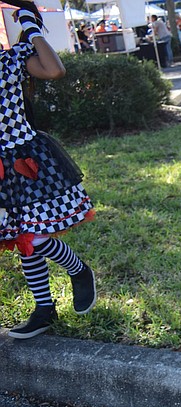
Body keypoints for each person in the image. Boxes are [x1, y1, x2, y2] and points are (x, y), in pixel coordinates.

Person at [1, 0, 96, 339]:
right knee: (19, 236)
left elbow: (54, 70)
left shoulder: (8, 60)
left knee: (35, 234)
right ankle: (44, 309)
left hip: (24, 158)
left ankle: (79, 270)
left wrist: (30, 22)